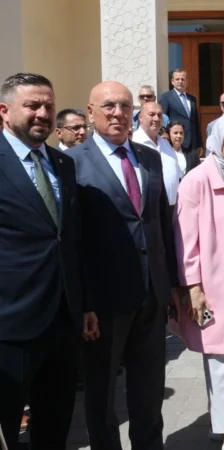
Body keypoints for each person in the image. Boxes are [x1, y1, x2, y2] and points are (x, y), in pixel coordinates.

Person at [69, 81, 179, 450]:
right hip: (103, 303)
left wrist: (173, 286)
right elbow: (72, 240)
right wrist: (83, 301)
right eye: (109, 106)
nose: (118, 113)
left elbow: (162, 225)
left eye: (125, 106)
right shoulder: (71, 163)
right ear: (90, 112)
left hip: (151, 295)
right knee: (102, 395)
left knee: (148, 391)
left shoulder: (148, 159)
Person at [0, 72, 85, 450]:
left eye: (48, 106)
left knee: (54, 427)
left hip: (62, 321)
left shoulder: (62, 164)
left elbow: (67, 239)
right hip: (10, 324)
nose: (43, 113)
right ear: (4, 111)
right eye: (32, 105)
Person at [173, 115, 224, 449]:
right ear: (217, 140)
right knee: (217, 355)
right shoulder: (197, 180)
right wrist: (193, 287)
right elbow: (184, 239)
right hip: (210, 287)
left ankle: (219, 421)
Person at [132, 102, 184, 206]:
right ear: (140, 117)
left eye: (159, 115)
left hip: (171, 210)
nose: (156, 119)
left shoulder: (166, 145)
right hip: (146, 212)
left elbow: (177, 176)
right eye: (152, 114)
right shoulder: (133, 143)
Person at [159, 69, 202, 156]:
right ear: (172, 82)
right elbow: (163, 121)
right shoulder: (166, 97)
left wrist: (199, 144)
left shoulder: (192, 99)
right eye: (177, 79)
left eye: (183, 79)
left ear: (186, 82)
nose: (180, 81)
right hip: (176, 143)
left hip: (192, 145)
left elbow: (196, 122)